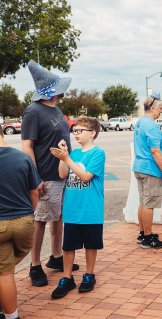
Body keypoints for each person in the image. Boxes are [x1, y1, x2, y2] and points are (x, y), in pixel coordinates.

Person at [21, 60, 79, 287]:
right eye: (57, 90)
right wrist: (35, 179)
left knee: (58, 218)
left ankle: (56, 257)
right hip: (45, 176)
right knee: (41, 221)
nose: (60, 94)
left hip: (63, 174)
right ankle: (35, 265)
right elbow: (27, 147)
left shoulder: (56, 108)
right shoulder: (32, 111)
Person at [48, 117, 105, 299]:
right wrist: (63, 157)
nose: (76, 134)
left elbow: (86, 176)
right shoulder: (74, 154)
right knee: (68, 246)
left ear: (92, 133)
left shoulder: (98, 153)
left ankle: (89, 275)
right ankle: (67, 277)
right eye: (75, 131)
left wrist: (67, 158)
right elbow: (63, 174)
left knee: (91, 245)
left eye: (80, 131)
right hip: (72, 209)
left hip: (91, 209)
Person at [0, 128, 41, 319]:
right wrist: (29, 214)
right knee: (7, 268)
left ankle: (11, 315)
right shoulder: (22, 158)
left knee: (4, 272)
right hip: (24, 222)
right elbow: (34, 192)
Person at [133, 93, 162, 249]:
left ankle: (143, 233)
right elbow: (155, 151)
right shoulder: (152, 126)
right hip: (150, 168)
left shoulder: (140, 122)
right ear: (154, 108)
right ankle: (148, 237)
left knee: (143, 202)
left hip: (139, 166)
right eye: (160, 108)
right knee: (149, 204)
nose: (161, 111)